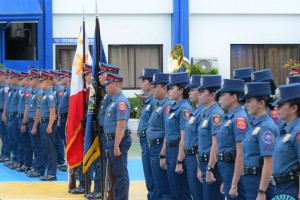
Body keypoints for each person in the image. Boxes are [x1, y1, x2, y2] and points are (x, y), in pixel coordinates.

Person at [240, 82, 278, 199]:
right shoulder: (254, 125)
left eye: (249, 101)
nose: (246, 105)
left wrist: (262, 192)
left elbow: (269, 162)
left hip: (259, 181)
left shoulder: (266, 127)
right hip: (250, 181)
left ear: (261, 103)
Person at [161, 72, 192, 200]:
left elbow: (183, 137)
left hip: (177, 152)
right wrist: (163, 153)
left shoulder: (184, 109)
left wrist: (179, 160)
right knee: (174, 190)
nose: (169, 90)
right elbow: (167, 132)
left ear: (181, 90)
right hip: (170, 150)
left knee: (181, 191)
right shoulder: (172, 107)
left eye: (172, 87)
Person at [215, 79, 248, 200]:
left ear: (233, 97)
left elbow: (240, 154)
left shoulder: (239, 118)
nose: (220, 98)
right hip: (227, 169)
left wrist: (234, 183)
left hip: (233, 167)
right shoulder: (228, 117)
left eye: (223, 95)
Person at [103, 73, 132, 200]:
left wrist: (115, 146)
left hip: (118, 141)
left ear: (116, 84)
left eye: (108, 84)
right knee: (115, 173)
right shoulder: (113, 101)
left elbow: (121, 125)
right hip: (112, 141)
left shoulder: (121, 102)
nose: (106, 87)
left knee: (120, 175)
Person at [196, 75, 224, 200]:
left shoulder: (216, 115)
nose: (199, 94)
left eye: (202, 91)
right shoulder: (205, 114)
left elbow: (216, 144)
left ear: (212, 95)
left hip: (212, 165)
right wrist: (199, 166)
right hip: (204, 162)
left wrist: (209, 168)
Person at [271, 83, 300, 198]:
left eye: (281, 105)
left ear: (294, 108)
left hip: (291, 186)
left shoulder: (297, 131)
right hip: (279, 186)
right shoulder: (283, 129)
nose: (277, 108)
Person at [147, 73, 172, 199]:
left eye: (155, 86)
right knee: (157, 185)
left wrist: (163, 153)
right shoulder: (160, 105)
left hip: (159, 147)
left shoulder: (167, 106)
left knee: (164, 188)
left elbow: (168, 131)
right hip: (153, 149)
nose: (153, 89)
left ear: (164, 88)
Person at [137, 68, 160, 200]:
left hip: (150, 142)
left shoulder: (154, 102)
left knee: (153, 177)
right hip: (144, 142)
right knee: (149, 176)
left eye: (144, 80)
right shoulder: (149, 100)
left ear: (151, 83)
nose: (142, 83)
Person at [182, 74, 204, 200]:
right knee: (194, 194)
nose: (189, 92)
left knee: (199, 194)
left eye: (192, 89)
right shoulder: (194, 111)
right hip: (190, 158)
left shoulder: (203, 113)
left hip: (197, 158)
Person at [38, 71, 57, 181]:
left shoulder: (50, 95)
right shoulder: (45, 94)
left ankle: (52, 173)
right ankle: (48, 171)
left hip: (47, 123)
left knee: (50, 149)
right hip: (43, 123)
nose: (40, 84)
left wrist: (50, 125)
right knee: (46, 148)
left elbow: (52, 112)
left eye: (42, 82)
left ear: (47, 82)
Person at [26, 70, 45, 178]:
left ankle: (40, 168)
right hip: (31, 121)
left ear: (37, 80)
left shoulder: (39, 93)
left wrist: (34, 126)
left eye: (31, 79)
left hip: (35, 122)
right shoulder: (33, 92)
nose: (29, 81)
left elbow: (38, 110)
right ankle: (36, 165)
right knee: (34, 146)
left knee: (38, 146)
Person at [16, 71, 33, 172]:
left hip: (25, 119)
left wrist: (24, 122)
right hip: (21, 118)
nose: (20, 81)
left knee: (27, 144)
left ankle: (28, 164)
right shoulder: (25, 91)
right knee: (21, 142)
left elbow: (26, 108)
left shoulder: (28, 92)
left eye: (21, 79)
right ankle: (22, 161)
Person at [57, 70, 71, 172]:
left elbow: (71, 107)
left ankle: (70, 163)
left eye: (62, 77)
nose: (60, 79)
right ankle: (68, 162)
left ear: (68, 78)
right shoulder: (65, 89)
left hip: (67, 118)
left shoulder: (70, 90)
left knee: (68, 142)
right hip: (62, 118)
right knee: (65, 142)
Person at [0, 69, 10, 162]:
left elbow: (6, 101)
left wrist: (4, 113)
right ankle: (3, 153)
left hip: (2, 112)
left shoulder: (6, 87)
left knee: (5, 135)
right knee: (2, 134)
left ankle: (6, 154)